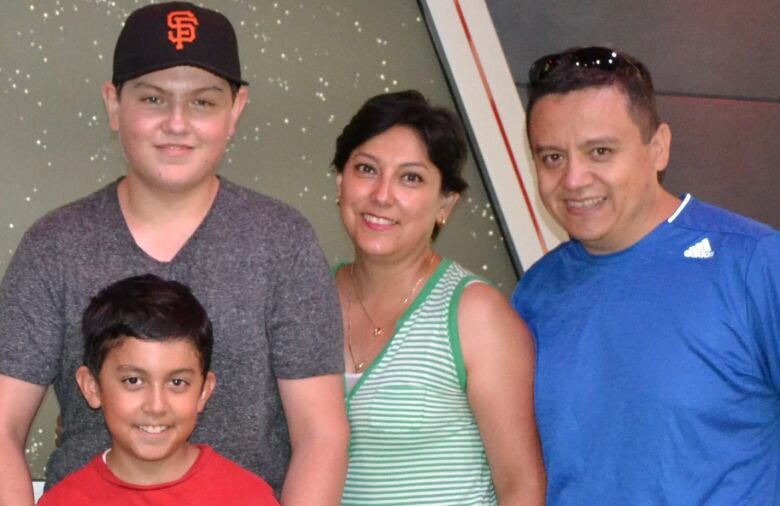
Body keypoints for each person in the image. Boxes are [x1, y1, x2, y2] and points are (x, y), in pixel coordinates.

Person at [0, 3, 348, 505]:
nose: (177, 124)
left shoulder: (283, 242)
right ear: (114, 104)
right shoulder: (53, 247)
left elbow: (321, 436)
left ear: (237, 109)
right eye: (153, 99)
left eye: (203, 102)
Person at [512, 46, 780, 504]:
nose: (574, 179)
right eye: (552, 157)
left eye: (600, 151)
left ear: (658, 148)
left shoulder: (756, 264)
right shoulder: (534, 294)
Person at [331, 90, 546, 505]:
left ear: (445, 203)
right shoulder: (306, 298)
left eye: (411, 178)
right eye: (366, 169)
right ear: (340, 182)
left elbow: (522, 485)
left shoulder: (476, 314)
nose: (382, 195)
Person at [37, 275, 279, 505]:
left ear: (204, 391)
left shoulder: (249, 497)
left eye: (177, 383)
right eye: (133, 381)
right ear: (92, 387)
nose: (156, 406)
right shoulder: (62, 501)